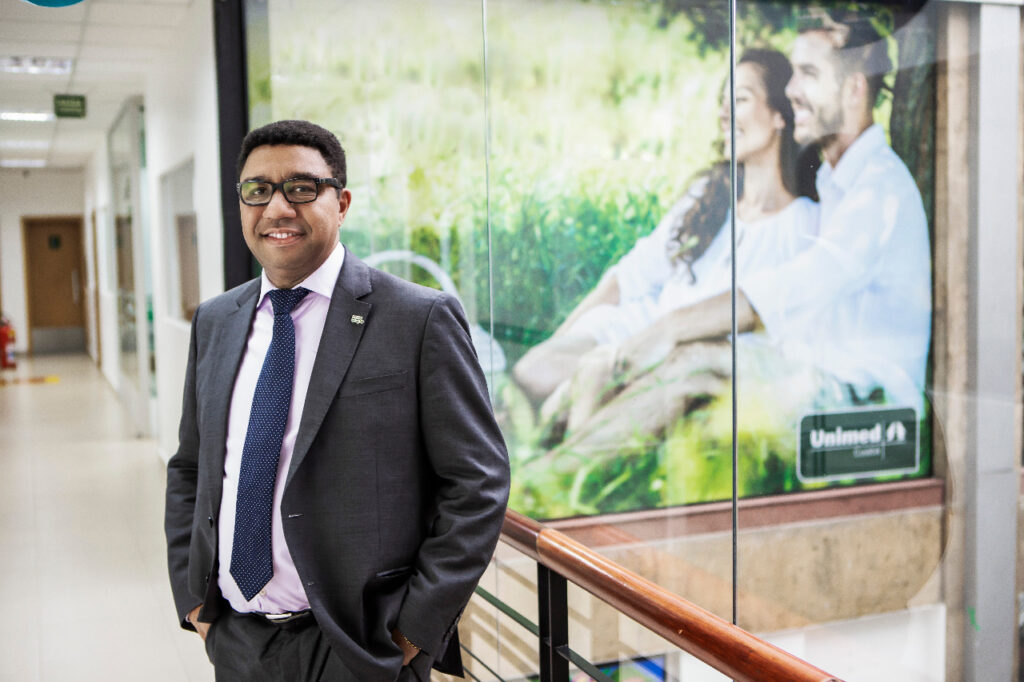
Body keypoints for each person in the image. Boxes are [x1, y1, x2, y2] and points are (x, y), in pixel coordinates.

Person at [164, 119, 510, 682]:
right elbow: (189, 467)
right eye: (258, 190)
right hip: (236, 641)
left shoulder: (417, 318)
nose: (278, 208)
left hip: (359, 646)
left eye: (301, 188)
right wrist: (195, 604)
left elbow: (478, 483)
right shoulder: (216, 320)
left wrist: (413, 630)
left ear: (341, 203)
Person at [531, 11, 931, 463]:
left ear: (855, 88)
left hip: (867, 409)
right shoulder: (837, 182)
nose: (792, 90)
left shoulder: (878, 191)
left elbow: (785, 292)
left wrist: (667, 330)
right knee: (677, 363)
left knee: (695, 362)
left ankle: (560, 475)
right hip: (815, 378)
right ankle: (554, 465)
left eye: (809, 73)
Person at [513, 48, 818, 414]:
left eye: (739, 100)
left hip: (687, 361)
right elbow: (626, 279)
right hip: (638, 331)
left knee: (570, 400)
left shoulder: (803, 223)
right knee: (532, 373)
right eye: (722, 103)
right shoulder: (709, 198)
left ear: (780, 115)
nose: (724, 114)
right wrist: (556, 342)